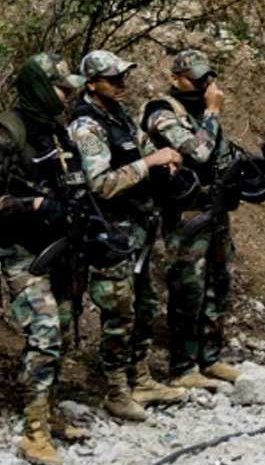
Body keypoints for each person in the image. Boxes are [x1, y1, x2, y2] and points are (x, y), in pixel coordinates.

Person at [0, 54, 98, 465]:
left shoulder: (57, 133)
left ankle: (49, 411)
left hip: (60, 248)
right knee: (44, 336)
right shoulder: (1, 134)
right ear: (40, 88)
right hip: (23, 253)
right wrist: (36, 204)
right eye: (62, 89)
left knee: (62, 332)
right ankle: (34, 433)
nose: (69, 96)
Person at [69, 50, 189, 419]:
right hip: (109, 234)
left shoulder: (118, 114)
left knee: (145, 306)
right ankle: (116, 390)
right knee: (118, 314)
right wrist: (149, 163)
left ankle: (141, 378)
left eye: (123, 76)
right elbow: (101, 183)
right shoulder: (86, 127)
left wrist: (166, 158)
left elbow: (145, 145)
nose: (122, 83)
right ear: (92, 85)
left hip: (136, 230)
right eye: (113, 79)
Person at [142, 50, 239, 389]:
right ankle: (182, 367)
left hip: (215, 207)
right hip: (185, 212)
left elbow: (221, 154)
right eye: (195, 79)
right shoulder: (161, 111)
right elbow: (198, 152)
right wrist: (212, 111)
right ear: (175, 79)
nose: (203, 85)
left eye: (206, 78)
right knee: (189, 288)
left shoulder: (200, 112)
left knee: (219, 282)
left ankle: (210, 358)